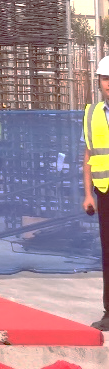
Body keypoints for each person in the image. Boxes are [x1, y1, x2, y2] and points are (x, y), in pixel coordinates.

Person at [82, 55, 109, 331]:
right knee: (108, 253)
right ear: (99, 81)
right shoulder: (92, 114)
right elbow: (88, 156)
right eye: (105, 78)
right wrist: (88, 194)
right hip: (104, 191)